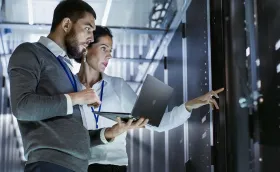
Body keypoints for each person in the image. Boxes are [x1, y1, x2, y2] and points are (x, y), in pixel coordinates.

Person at [75, 26, 224, 172]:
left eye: (110, 50)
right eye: (104, 48)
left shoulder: (117, 85)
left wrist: (189, 106)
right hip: (77, 166)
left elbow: (158, 124)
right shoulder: (68, 88)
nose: (109, 55)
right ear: (86, 47)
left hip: (114, 166)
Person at [7, 1, 115, 172]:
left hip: (75, 167)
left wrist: (109, 133)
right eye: (88, 28)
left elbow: (68, 131)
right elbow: (22, 107)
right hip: (50, 165)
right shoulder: (30, 52)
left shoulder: (65, 69)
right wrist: (77, 97)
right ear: (66, 24)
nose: (91, 38)